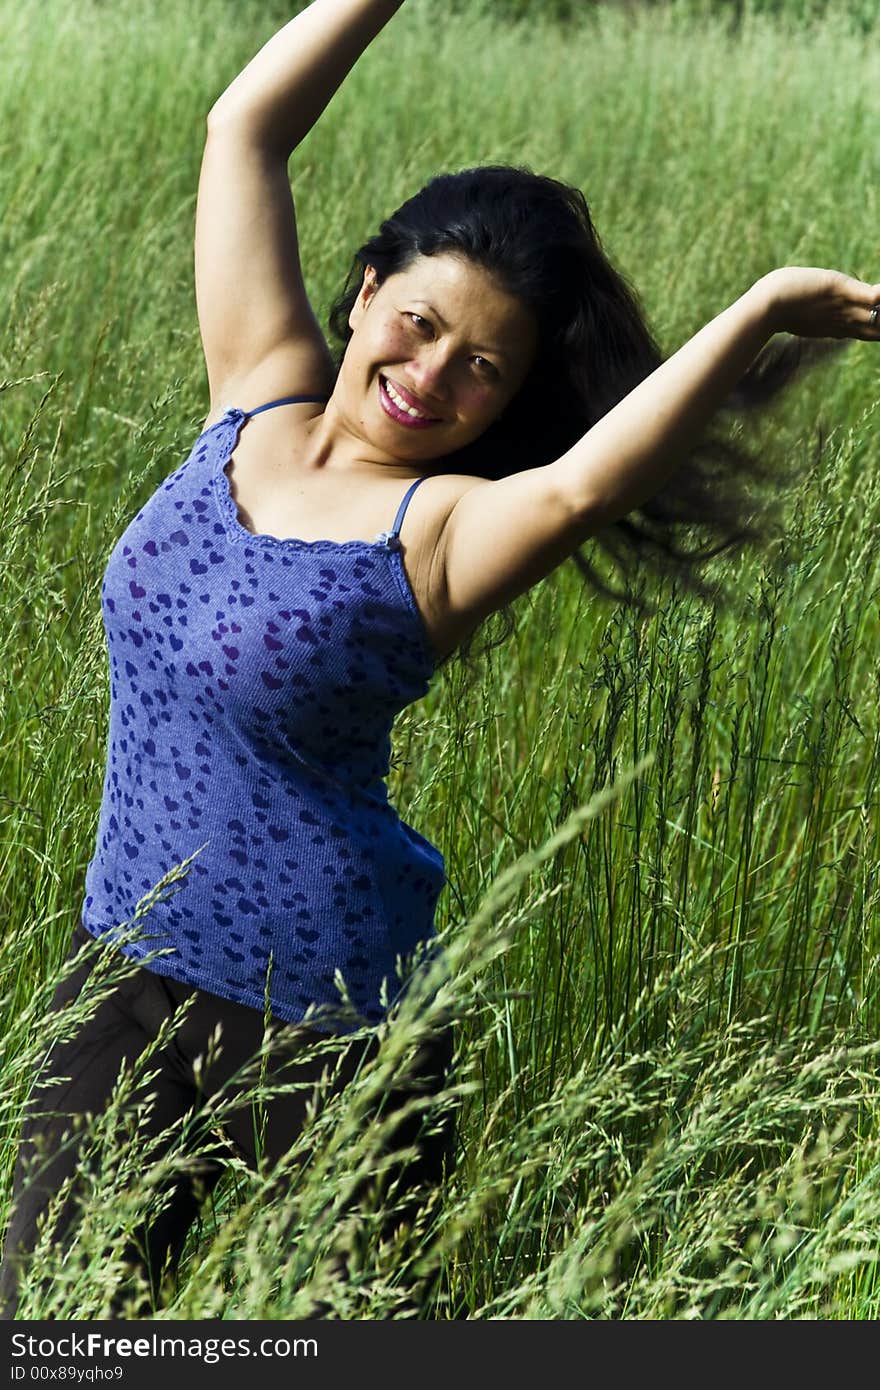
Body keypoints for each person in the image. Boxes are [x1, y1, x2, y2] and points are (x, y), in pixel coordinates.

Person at [1, 0, 877, 1320]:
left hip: (325, 1028)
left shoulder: (448, 529)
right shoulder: (255, 386)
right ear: (364, 296)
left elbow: (584, 485)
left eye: (481, 368)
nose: (431, 374)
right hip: (118, 964)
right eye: (417, 324)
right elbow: (244, 126)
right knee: (56, 1322)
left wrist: (760, 310)